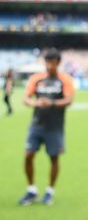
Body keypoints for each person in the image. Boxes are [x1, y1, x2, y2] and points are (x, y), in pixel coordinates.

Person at [18, 49, 75, 206]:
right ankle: (31, 189)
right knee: (28, 155)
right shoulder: (37, 79)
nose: (50, 66)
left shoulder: (65, 80)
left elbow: (69, 100)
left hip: (55, 127)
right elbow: (26, 98)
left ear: (58, 63)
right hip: (36, 125)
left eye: (53, 62)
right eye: (47, 62)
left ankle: (50, 191)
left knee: (54, 158)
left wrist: (51, 103)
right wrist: (35, 103)